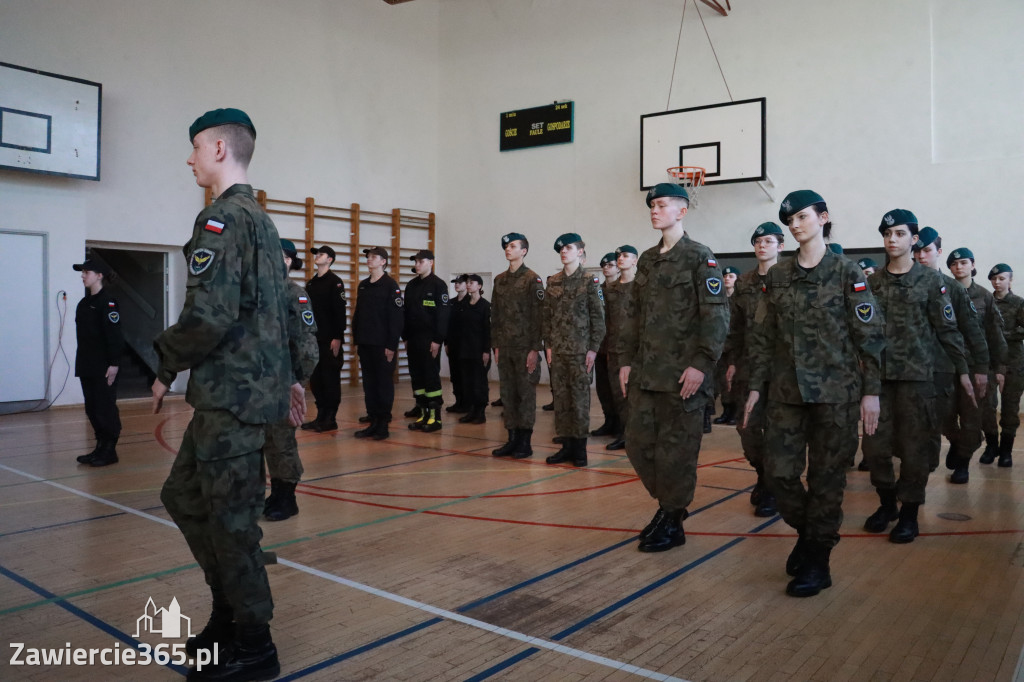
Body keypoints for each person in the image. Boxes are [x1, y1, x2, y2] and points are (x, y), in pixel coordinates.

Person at [152, 108, 299, 680]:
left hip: (233, 401)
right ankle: (229, 614)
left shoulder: (222, 220)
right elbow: (275, 315)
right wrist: (286, 378)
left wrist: (165, 363)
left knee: (235, 523)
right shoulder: (260, 219)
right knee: (185, 498)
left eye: (194, 148)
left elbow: (209, 315)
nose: (189, 159)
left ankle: (254, 646)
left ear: (218, 149)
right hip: (237, 396)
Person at [745, 191, 884, 597]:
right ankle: (811, 535)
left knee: (826, 480)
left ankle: (818, 561)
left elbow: (870, 337)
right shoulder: (779, 276)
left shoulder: (847, 272)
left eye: (803, 216)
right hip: (787, 394)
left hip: (835, 396)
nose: (796, 224)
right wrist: (755, 386)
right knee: (779, 473)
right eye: (789, 219)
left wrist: (870, 393)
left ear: (823, 218)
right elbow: (763, 337)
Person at [619, 183, 729, 553]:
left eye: (662, 205)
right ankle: (670, 507)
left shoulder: (701, 257)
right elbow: (634, 316)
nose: (655, 210)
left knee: (677, 453)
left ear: (681, 211)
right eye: (652, 205)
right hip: (647, 375)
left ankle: (672, 516)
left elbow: (716, 315)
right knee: (637, 445)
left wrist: (701, 364)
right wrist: (626, 361)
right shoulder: (647, 260)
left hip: (683, 377)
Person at [862, 209, 971, 544]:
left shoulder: (932, 282)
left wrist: (964, 371)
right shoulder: (871, 283)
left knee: (915, 451)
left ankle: (909, 513)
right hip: (878, 382)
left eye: (899, 233)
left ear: (914, 238)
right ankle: (886, 504)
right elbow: (862, 334)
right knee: (875, 449)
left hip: (918, 382)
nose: (892, 240)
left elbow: (948, 331)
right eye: (887, 234)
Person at [912, 228, 989, 484]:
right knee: (940, 421)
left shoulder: (953, 288)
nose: (921, 256)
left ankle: (963, 463)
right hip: (928, 370)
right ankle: (955, 442)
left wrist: (981, 367)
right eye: (917, 251)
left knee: (969, 419)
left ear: (937, 252)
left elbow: (973, 330)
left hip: (959, 365)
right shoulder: (908, 285)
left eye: (926, 251)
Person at [725, 222, 784, 517]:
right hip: (749, 367)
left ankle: (772, 487)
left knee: (776, 431)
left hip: (780, 369)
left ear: (780, 246)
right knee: (747, 429)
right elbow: (735, 327)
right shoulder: (745, 283)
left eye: (769, 241)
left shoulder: (789, 279)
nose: (762, 245)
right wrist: (733, 361)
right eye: (758, 241)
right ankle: (762, 473)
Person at [263, 239, 319, 522]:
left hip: (285, 382)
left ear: (287, 261)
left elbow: (306, 346)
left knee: (281, 440)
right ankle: (272, 494)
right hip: (258, 382)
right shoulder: (260, 292)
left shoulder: (294, 294)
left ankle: (287, 497)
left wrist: (297, 382)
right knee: (261, 441)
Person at [543, 233, 606, 467]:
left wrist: (593, 349)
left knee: (579, 401)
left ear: (580, 251)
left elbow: (598, 320)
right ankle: (566, 447)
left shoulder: (590, 281)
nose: (564, 251)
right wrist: (548, 346)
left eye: (568, 248)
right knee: (561, 400)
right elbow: (547, 318)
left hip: (581, 352)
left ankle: (580, 450)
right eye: (561, 249)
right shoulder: (554, 281)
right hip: (558, 351)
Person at [948, 249, 1007, 464]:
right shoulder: (944, 292)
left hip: (977, 365)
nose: (959, 267)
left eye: (964, 262)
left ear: (972, 265)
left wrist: (999, 368)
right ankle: (959, 441)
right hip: (950, 364)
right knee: (946, 415)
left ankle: (983, 449)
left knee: (979, 414)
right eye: (954, 264)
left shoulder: (984, 296)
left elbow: (994, 333)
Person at [490, 232, 545, 459]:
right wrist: (496, 345)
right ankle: (511, 439)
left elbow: (538, 316)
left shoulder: (533, 279)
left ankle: (525, 442)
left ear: (524, 251)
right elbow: (495, 315)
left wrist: (534, 349)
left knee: (525, 395)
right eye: (506, 246)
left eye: (513, 246)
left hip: (525, 348)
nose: (508, 249)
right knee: (508, 394)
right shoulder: (499, 280)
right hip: (505, 347)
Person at [72, 258, 125, 467]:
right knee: (92, 408)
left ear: (99, 275)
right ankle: (100, 447)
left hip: (104, 366)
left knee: (105, 407)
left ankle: (110, 450)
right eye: (82, 272)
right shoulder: (84, 303)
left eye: (87, 272)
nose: (83, 275)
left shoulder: (108, 302)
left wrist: (114, 364)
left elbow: (114, 336)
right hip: (87, 364)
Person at [352, 247, 405, 440]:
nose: (369, 259)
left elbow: (396, 318)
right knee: (369, 384)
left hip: (383, 346)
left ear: (383, 261)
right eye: (368, 257)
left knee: (383, 385)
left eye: (374, 257)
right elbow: (359, 314)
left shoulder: (391, 286)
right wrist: (356, 338)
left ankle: (383, 424)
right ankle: (373, 421)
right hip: (366, 343)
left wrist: (391, 345)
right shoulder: (364, 285)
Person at [300, 244, 346, 433]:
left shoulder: (335, 282)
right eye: (316, 254)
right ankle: (320, 415)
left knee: (330, 379)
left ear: (330, 259)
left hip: (329, 340)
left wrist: (338, 337)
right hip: (313, 339)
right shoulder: (311, 283)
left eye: (321, 254)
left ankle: (330, 418)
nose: (317, 256)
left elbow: (340, 313)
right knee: (317, 380)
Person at [403, 249, 450, 432]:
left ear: (431, 262)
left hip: (429, 340)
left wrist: (438, 339)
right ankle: (423, 414)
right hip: (413, 339)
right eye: (415, 261)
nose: (417, 265)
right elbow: (405, 313)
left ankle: (435, 418)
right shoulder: (412, 285)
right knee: (417, 379)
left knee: (430, 378)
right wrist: (405, 336)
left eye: (421, 261)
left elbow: (443, 315)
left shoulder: (439, 285)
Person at [989, 263, 1024, 467]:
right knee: (988, 407)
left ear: (1010, 280)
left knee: (1010, 408)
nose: (997, 282)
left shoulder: (1019, 303)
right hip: (991, 362)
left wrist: (1004, 336)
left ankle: (1006, 451)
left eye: (1002, 278)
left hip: (1014, 362)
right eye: (994, 279)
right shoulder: (987, 301)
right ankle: (992, 446)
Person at [604, 245, 639, 451]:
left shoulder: (641, 286)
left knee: (635, 395)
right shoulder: (611, 289)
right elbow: (607, 321)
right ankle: (625, 433)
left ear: (635, 260)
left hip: (635, 351)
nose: (620, 259)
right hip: (615, 349)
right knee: (619, 393)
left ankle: (636, 435)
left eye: (626, 256)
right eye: (618, 256)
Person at [591, 253, 621, 440]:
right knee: (603, 388)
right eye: (603, 265)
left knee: (617, 388)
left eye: (610, 264)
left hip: (617, 348)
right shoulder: (598, 290)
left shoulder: (623, 288)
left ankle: (620, 424)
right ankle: (609, 420)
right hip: (601, 347)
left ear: (618, 267)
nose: (606, 268)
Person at [456, 274, 491, 424]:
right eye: (467, 283)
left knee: (479, 383)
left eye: (472, 283)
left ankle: (480, 412)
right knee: (467, 383)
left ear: (480, 286)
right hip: (465, 350)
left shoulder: (485, 306)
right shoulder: (463, 305)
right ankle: (471, 411)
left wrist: (486, 351)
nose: (468, 285)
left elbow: (488, 330)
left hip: (479, 351)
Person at [712, 266, 742, 426]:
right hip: (720, 348)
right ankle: (726, 411)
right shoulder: (720, 299)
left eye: (731, 276)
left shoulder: (740, 299)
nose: (727, 279)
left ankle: (735, 413)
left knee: (734, 381)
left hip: (735, 348)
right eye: (725, 276)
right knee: (722, 383)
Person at [446, 274, 470, 414]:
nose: (456, 285)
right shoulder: (451, 302)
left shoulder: (470, 301)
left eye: (460, 283)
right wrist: (446, 342)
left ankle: (467, 403)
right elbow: (447, 324)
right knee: (455, 374)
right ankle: (458, 401)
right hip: (453, 344)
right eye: (455, 282)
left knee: (465, 374)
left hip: (466, 345)